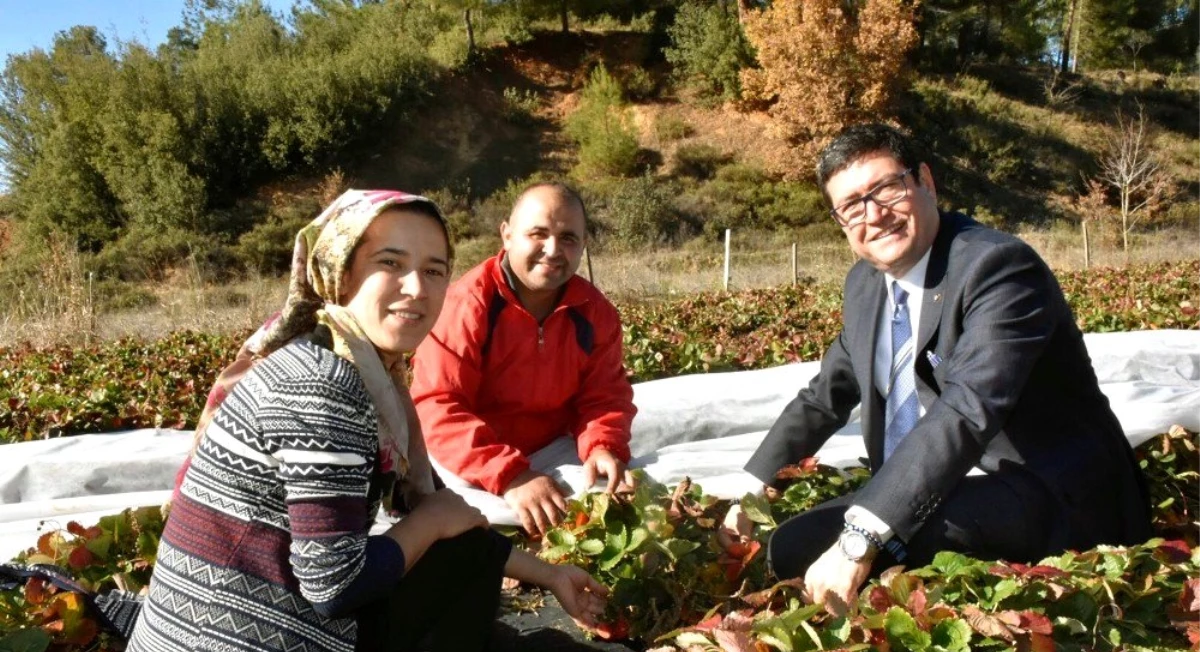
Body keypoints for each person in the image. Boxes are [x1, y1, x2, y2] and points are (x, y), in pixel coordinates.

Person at [79, 190, 609, 652]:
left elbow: (442, 512)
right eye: (390, 263)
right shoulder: (322, 388)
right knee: (454, 562)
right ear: (339, 270)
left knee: (458, 551)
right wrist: (431, 525)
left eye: (434, 270)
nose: (416, 287)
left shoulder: (350, 363)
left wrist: (548, 574)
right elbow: (338, 585)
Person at [725, 124, 1151, 609]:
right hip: (948, 483)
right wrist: (751, 489)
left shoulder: (998, 268)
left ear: (925, 181)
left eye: (886, 188)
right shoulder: (865, 284)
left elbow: (969, 407)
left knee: (836, 547)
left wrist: (859, 538)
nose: (875, 215)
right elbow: (826, 394)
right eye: (851, 206)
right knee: (793, 542)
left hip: (1049, 489)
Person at [411, 182, 637, 536]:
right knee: (453, 519)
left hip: (551, 449)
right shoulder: (466, 306)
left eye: (568, 238)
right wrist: (513, 476)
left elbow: (604, 396)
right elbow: (438, 406)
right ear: (507, 234)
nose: (552, 250)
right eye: (538, 234)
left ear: (583, 245)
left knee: (618, 494)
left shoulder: (595, 312)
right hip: (467, 459)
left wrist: (602, 446)